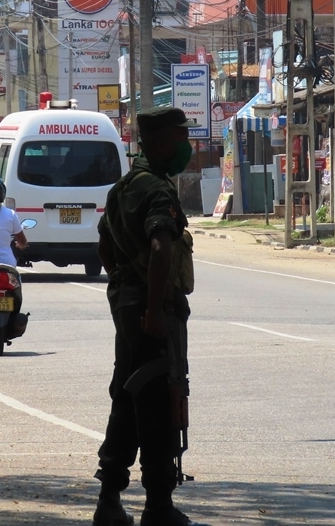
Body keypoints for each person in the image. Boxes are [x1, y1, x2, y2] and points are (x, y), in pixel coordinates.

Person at [92, 107, 207, 526]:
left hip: (127, 305)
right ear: (160, 143)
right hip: (152, 310)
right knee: (159, 400)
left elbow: (103, 247)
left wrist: (125, 284)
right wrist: (155, 306)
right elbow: (161, 249)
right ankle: (158, 505)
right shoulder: (157, 190)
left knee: (127, 396)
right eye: (181, 139)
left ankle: (109, 498)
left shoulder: (123, 187)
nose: (186, 148)